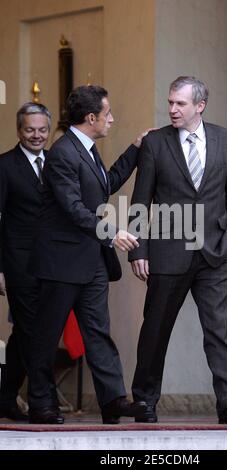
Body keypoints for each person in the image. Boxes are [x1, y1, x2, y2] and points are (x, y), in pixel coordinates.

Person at [128, 76, 227, 425]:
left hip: (216, 253)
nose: (172, 109)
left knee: (221, 331)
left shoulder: (225, 138)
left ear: (200, 106)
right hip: (168, 252)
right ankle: (145, 401)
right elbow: (141, 201)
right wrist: (138, 251)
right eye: (170, 102)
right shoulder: (155, 143)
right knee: (156, 329)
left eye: (180, 103)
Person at [27, 85, 148, 425]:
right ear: (91, 117)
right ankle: (41, 404)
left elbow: (105, 184)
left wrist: (135, 150)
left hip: (92, 261)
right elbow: (73, 209)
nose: (112, 119)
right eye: (107, 114)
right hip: (61, 263)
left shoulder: (88, 150)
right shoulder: (62, 153)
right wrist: (112, 233)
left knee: (97, 331)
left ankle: (112, 401)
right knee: (47, 335)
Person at [0, 103, 52, 421]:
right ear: (19, 130)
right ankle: (41, 401)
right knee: (35, 331)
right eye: (30, 129)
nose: (37, 135)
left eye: (42, 129)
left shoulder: (57, 161)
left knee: (25, 331)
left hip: (51, 264)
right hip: (18, 265)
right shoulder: (4, 166)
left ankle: (5, 398)